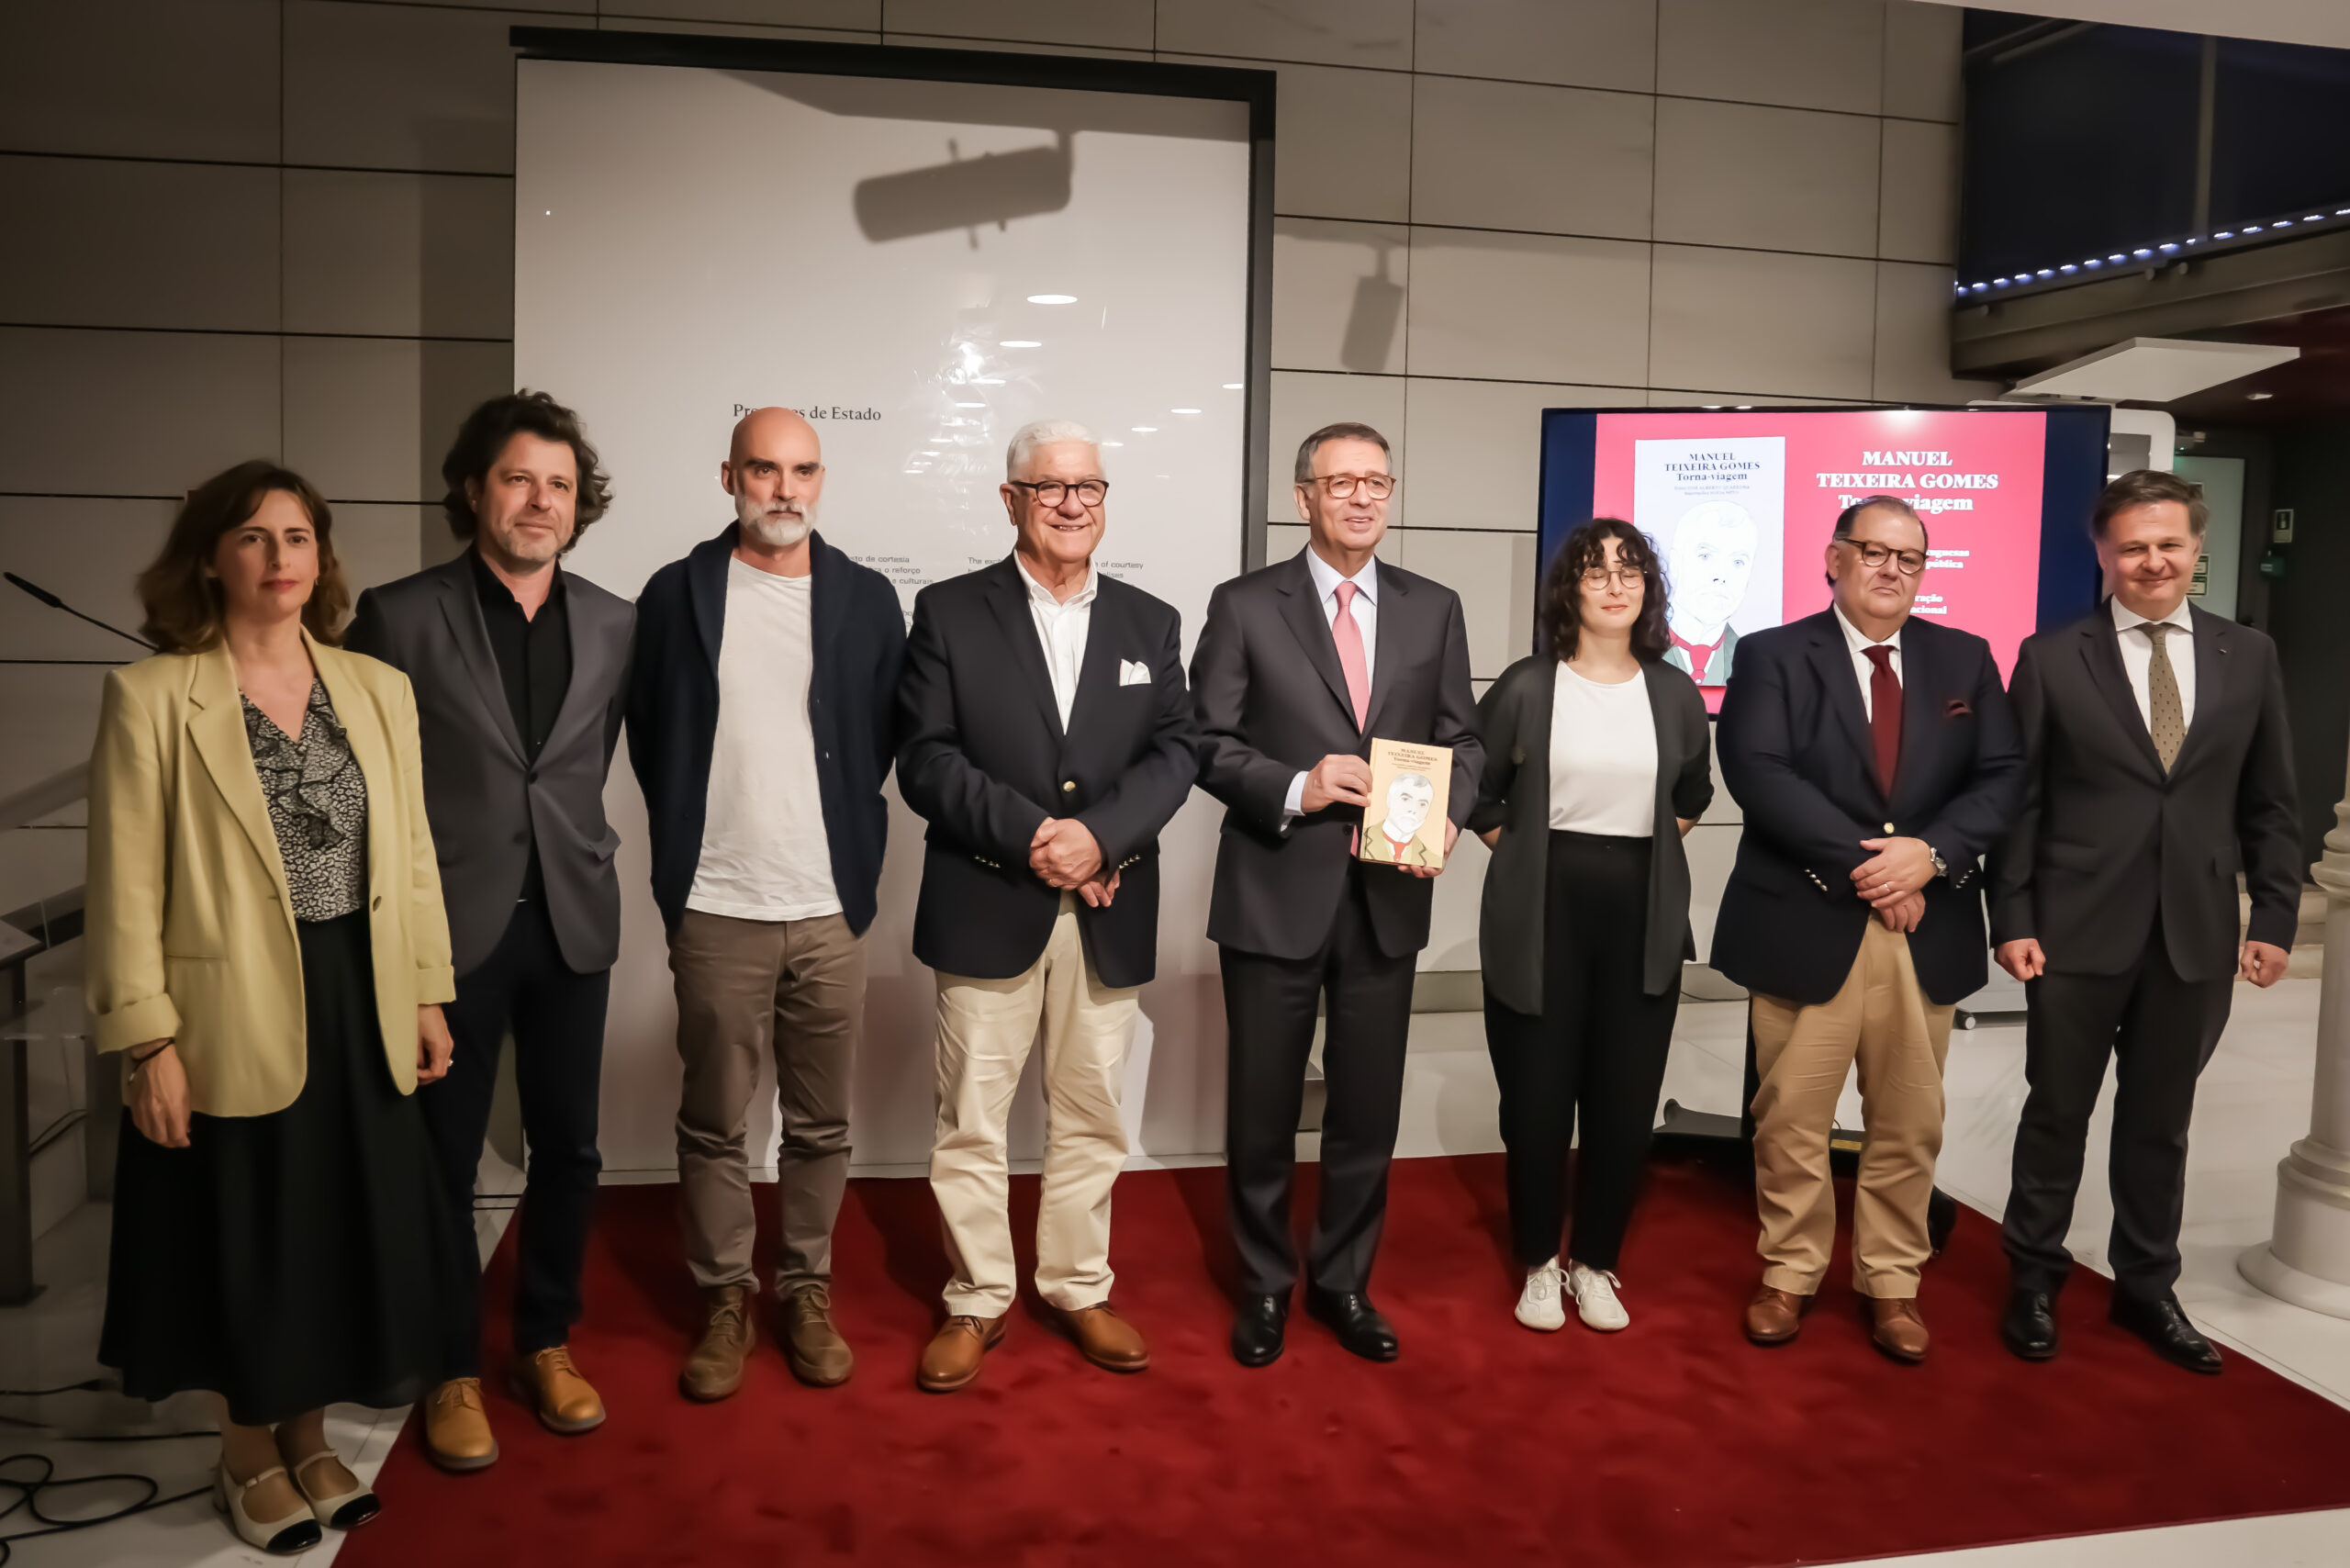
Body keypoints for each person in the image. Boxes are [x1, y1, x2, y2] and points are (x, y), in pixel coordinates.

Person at [89, 462, 465, 1552]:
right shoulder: (154, 694)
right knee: (249, 1228)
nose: (281, 557)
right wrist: (145, 1035)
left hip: (364, 989)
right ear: (211, 556)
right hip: (227, 1002)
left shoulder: (375, 687)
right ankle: (245, 1445)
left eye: (299, 537)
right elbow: (124, 881)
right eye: (254, 537)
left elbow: (414, 854)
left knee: (344, 1221)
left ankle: (309, 1433)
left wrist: (429, 990)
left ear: (323, 557)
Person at [343, 392, 634, 1469]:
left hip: (570, 922)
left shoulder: (615, 619)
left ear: (578, 503)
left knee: (572, 1147)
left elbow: (584, 762)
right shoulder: (399, 612)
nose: (538, 501)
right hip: (442, 933)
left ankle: (545, 1340)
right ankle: (450, 1363)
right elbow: (369, 787)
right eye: (518, 479)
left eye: (558, 485)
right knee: (443, 1159)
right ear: (473, 489)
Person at [896, 419, 1195, 1393]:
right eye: (1051, 486)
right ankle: (977, 1298)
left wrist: (1103, 837)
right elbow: (927, 758)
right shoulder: (948, 611)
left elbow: (1176, 752)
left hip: (1108, 905)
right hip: (989, 897)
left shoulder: (1150, 621)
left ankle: (1074, 1285)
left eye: (1090, 487)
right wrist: (1040, 837)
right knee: (971, 1119)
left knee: (1091, 1114)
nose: (1073, 503)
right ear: (1011, 498)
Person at [1990, 469, 2300, 1373]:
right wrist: (2011, 913)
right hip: (2073, 926)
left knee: (2160, 1121)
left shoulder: (2250, 655)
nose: (2151, 560)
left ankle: (2145, 1284)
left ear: (2196, 551)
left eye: (2168, 543)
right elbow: (2021, 803)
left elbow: (2270, 801)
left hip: (2196, 930)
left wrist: (2274, 915)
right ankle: (2033, 1276)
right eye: (2131, 545)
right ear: (2103, 554)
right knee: (2055, 1112)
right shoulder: (2051, 656)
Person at [627, 408, 906, 1399]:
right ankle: (722, 1297)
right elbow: (652, 735)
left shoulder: (868, 599)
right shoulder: (675, 595)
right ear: (728, 477)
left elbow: (881, 738)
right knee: (714, 1118)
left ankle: (807, 1289)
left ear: (819, 480)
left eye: (801, 470)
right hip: (717, 904)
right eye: (763, 469)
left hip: (831, 908)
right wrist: (681, 864)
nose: (783, 489)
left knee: (821, 1122)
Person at [1192, 420, 1481, 1368]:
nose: (1361, 498)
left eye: (1377, 483)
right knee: (1262, 1107)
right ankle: (1265, 1285)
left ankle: (1344, 1279)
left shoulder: (1433, 607)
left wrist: (1448, 815)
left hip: (1388, 893)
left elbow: (1464, 742)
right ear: (1302, 496)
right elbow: (1205, 740)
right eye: (1341, 482)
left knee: (1366, 1107)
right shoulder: (1243, 605)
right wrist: (1295, 785)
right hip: (1276, 886)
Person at [1712, 496, 2021, 1362]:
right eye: (1873, 552)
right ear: (1834, 558)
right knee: (1791, 1119)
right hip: (1810, 919)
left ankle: (1893, 1282)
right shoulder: (1774, 654)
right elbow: (1759, 772)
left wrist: (1931, 855)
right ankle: (1791, 1270)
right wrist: (1878, 869)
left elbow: (2001, 777)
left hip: (1926, 925)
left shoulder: (1964, 658)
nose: (1891, 570)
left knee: (1908, 1123)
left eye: (1909, 558)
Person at [1470, 520, 1711, 1334]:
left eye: (1631, 569)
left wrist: (1632, 858)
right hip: (1542, 909)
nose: (1615, 583)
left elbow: (1693, 797)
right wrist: (1530, 850)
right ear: (1568, 588)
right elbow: (1479, 787)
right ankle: (1540, 1260)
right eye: (1596, 569)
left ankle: (1596, 1262)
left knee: (1623, 1100)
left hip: (1641, 911)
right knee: (1536, 1101)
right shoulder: (1528, 685)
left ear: (1648, 589)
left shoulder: (1674, 690)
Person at [1661, 500, 1757, 687]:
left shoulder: (1756, 663)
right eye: (1705, 556)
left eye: (1738, 562)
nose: (1720, 576)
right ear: (1675, 563)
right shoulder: (1631, 653)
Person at [1360, 772, 1439, 867]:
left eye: (1422, 804)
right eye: (1405, 799)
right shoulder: (1360, 839)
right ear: (1389, 799)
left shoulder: (1432, 859)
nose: (1413, 809)